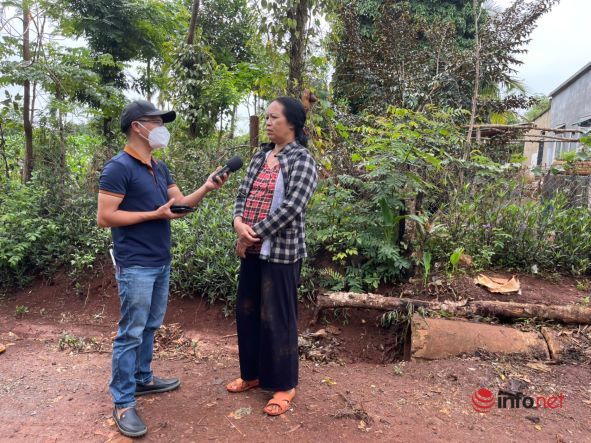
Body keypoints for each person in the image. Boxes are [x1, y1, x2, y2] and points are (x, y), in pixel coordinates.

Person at [97, 100, 227, 437]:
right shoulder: (118, 168)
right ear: (137, 126)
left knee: (151, 325)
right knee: (131, 331)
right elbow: (105, 217)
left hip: (160, 260)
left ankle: (142, 379)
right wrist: (153, 215)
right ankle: (123, 400)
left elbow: (179, 206)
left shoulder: (159, 166)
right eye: (157, 121)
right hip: (135, 263)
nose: (162, 127)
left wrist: (207, 187)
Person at [226, 97, 318, 416]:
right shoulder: (260, 156)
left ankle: (283, 385)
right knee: (247, 311)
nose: (267, 122)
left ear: (291, 124)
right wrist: (239, 225)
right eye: (266, 117)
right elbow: (243, 195)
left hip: (281, 252)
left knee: (278, 317)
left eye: (273, 117)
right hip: (250, 247)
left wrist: (256, 232)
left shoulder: (302, 159)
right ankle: (252, 375)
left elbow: (293, 206)